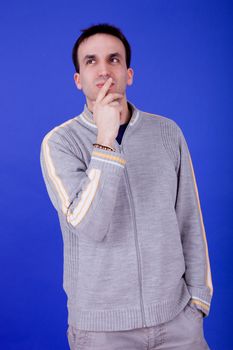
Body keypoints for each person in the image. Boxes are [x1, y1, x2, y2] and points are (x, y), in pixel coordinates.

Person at [40, 23, 213, 350]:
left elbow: (190, 220)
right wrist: (105, 141)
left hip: (177, 323)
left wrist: (198, 302)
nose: (104, 70)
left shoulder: (167, 132)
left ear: (129, 74)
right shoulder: (59, 143)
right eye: (91, 61)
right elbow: (89, 225)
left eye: (114, 59)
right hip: (103, 333)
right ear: (78, 80)